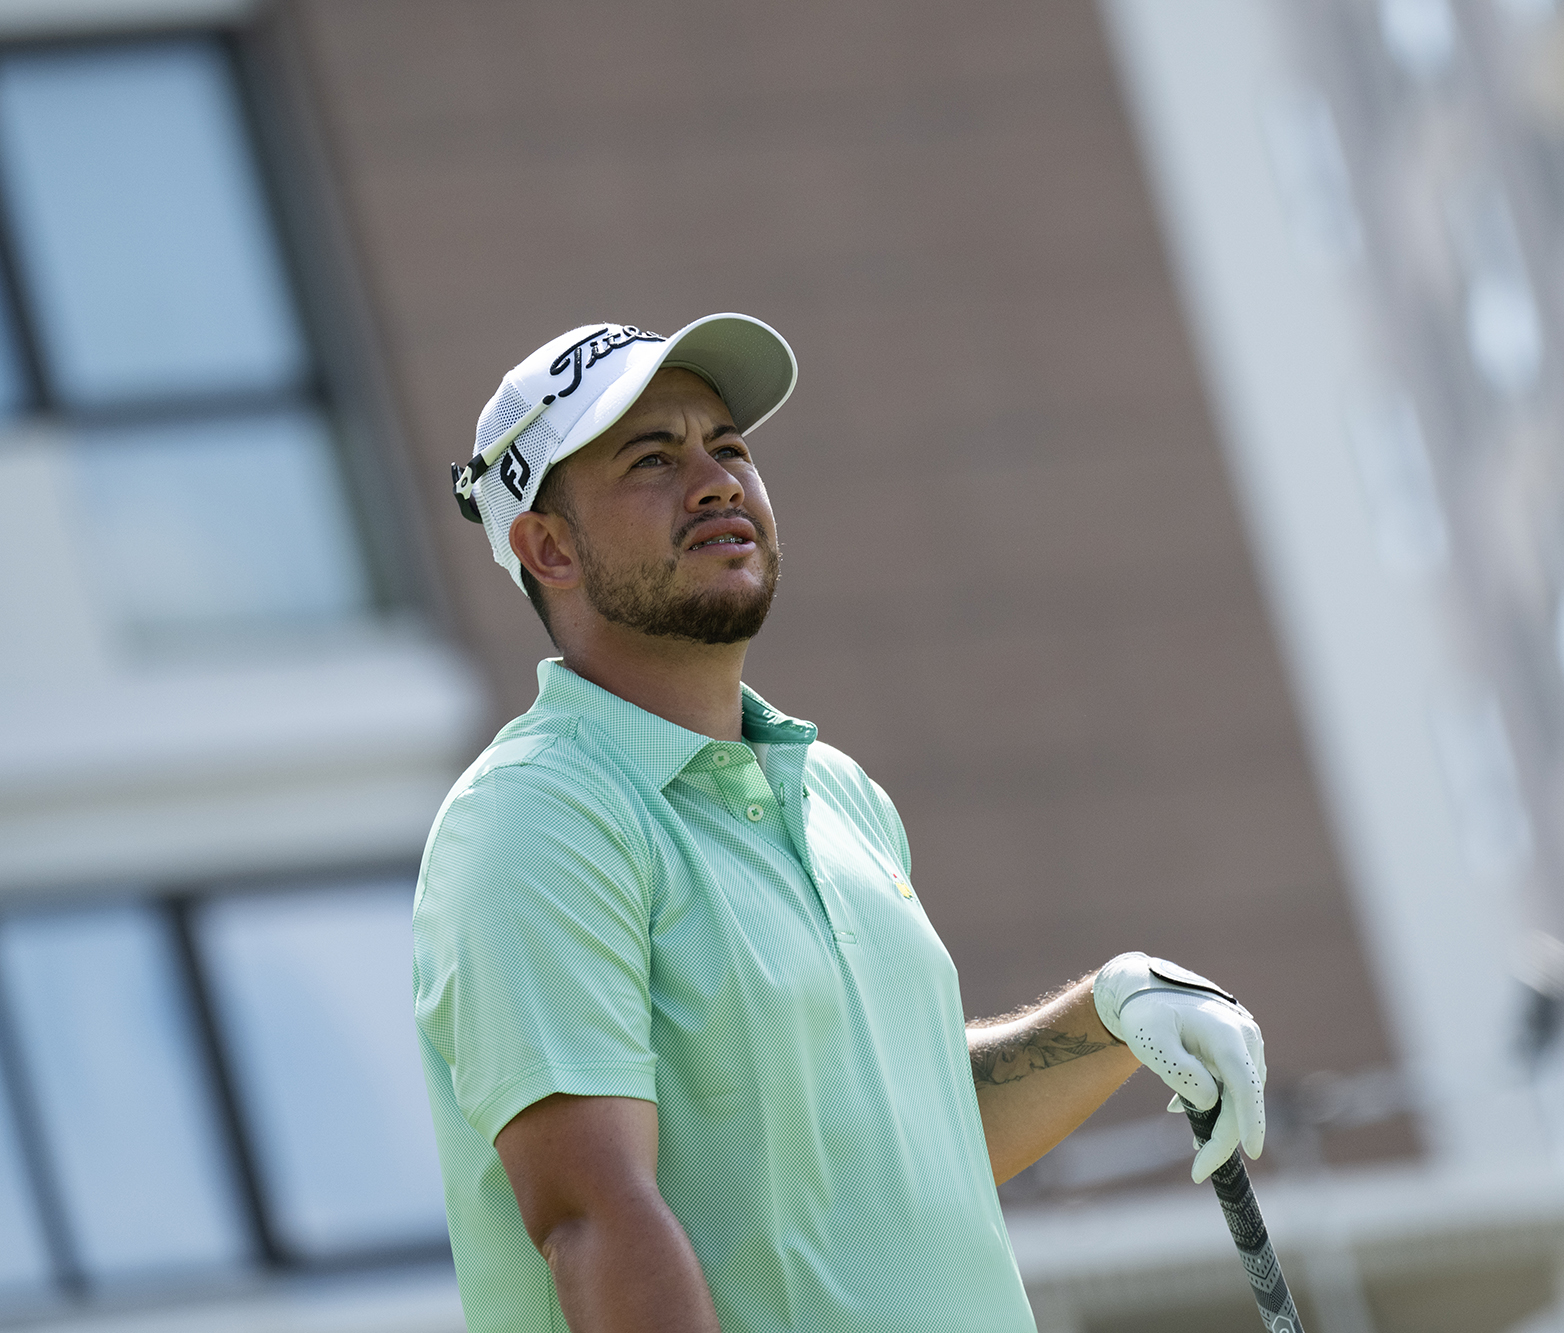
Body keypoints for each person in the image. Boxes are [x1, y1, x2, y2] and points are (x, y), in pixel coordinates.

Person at [416, 316, 1268, 1333]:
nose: (718, 481)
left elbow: (910, 1139)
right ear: (546, 545)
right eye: (652, 458)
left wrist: (1105, 1017)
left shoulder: (835, 790)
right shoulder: (535, 818)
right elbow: (593, 1221)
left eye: (727, 446)